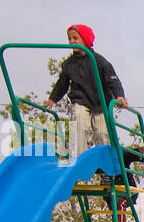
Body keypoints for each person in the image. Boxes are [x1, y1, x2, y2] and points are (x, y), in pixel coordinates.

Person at [45, 24, 128, 159]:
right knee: (78, 118)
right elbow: (62, 83)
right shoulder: (69, 64)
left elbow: (112, 80)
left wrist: (119, 96)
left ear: (86, 40)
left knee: (102, 132)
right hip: (81, 100)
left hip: (100, 102)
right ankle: (79, 157)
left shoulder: (100, 62)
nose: (71, 41)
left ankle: (105, 164)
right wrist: (53, 98)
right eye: (69, 39)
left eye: (75, 38)